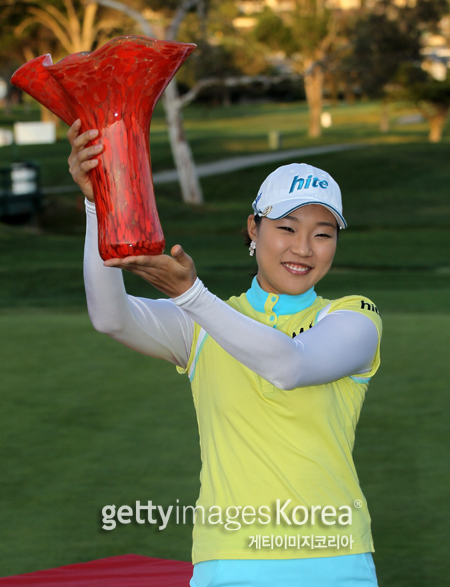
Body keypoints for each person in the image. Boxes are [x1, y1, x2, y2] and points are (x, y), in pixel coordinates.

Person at [68, 119, 382, 587]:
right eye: (286, 227)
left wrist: (191, 294)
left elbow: (289, 366)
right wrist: (97, 203)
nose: (303, 248)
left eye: (323, 233)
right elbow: (110, 317)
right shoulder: (204, 325)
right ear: (253, 228)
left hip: (333, 562)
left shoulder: (354, 317)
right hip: (229, 563)